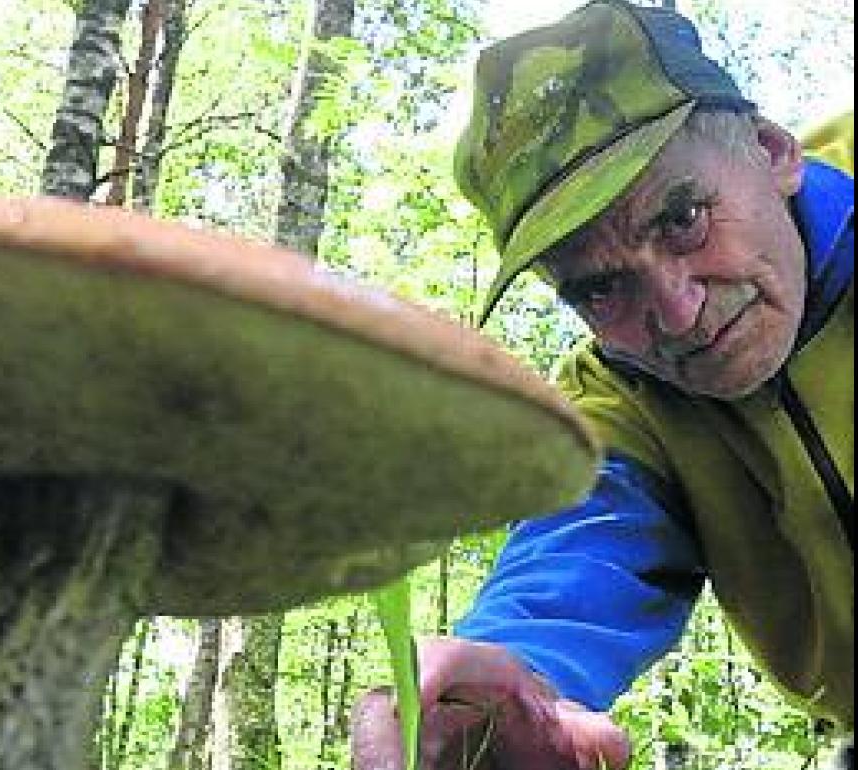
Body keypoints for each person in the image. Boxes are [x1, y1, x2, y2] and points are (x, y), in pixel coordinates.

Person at [350, 1, 853, 768]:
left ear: (772, 149)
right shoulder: (623, 404)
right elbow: (579, 555)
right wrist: (502, 690)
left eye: (683, 217)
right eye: (599, 290)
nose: (679, 313)